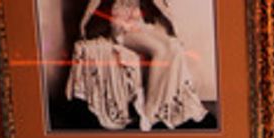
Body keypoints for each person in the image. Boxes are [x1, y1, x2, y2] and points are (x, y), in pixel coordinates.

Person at [78, 0, 208, 131]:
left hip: (139, 23)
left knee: (175, 46)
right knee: (160, 51)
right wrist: (84, 26)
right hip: (123, 26)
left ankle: (163, 108)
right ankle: (149, 113)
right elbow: (94, 3)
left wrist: (171, 23)